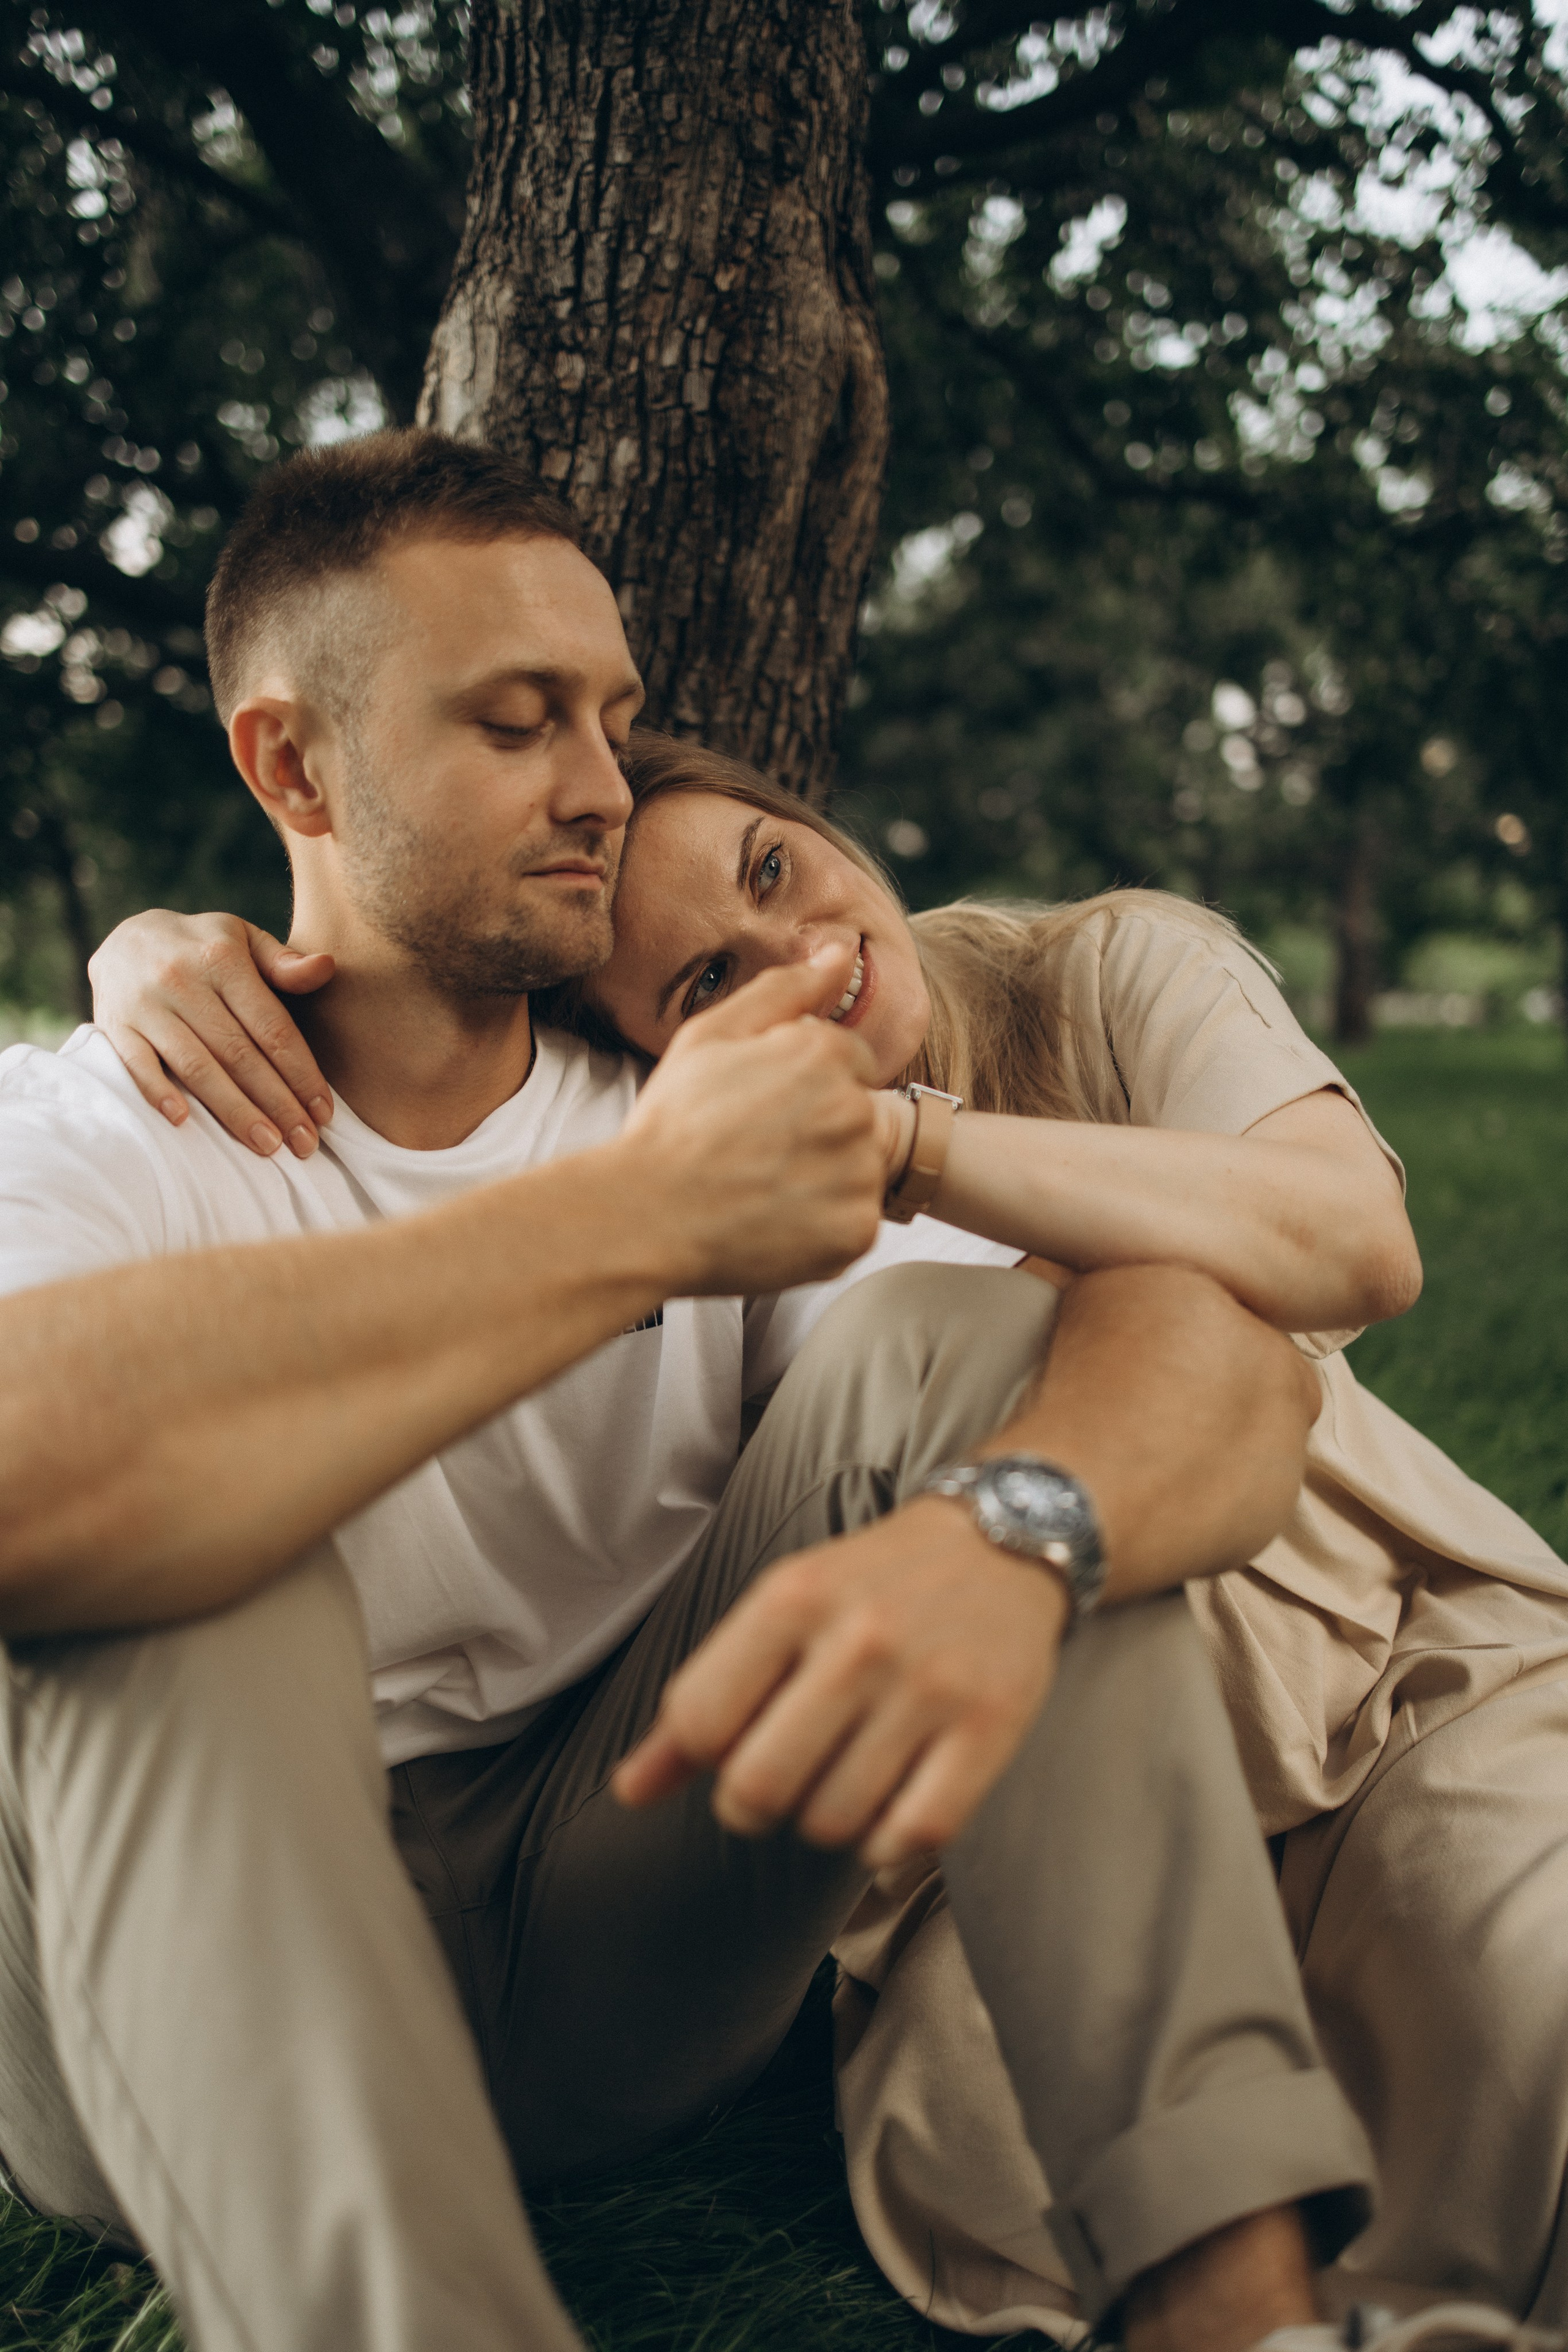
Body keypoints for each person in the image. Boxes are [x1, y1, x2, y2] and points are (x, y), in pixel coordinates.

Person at [0, 426, 1407, 2352]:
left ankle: (1235, 2312)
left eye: (613, 715)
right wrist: (632, 1226)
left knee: (983, 1374)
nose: (598, 788)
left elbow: (1219, 1373)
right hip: (139, 1996)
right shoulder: (92, 1120)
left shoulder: (692, 1112)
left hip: (608, 1944)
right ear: (291, 767)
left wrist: (1019, 1529)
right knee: (181, 1542)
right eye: (516, 724)